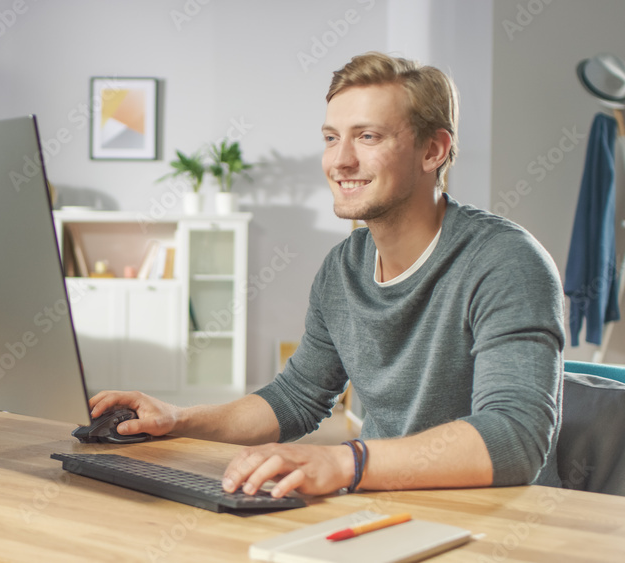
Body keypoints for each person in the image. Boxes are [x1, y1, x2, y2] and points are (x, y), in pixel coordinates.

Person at [90, 51, 564, 498]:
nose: (340, 161)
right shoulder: (344, 267)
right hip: (384, 503)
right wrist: (178, 418)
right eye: (331, 137)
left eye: (368, 136)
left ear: (433, 150)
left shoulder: (506, 262)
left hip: (493, 518)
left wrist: (345, 463)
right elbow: (296, 398)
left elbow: (515, 439)